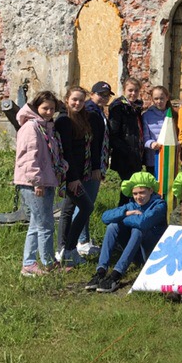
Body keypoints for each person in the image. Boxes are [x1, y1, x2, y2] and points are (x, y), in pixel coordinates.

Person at [14, 90, 68, 277]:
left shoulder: (46, 127)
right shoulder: (31, 128)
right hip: (34, 183)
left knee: (37, 223)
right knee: (45, 224)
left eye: (52, 109)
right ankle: (47, 263)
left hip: (46, 180)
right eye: (45, 108)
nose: (48, 112)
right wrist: (36, 182)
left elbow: (50, 155)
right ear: (36, 107)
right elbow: (29, 158)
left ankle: (29, 264)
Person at [86, 172, 167, 293]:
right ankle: (101, 271)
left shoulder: (159, 205)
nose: (138, 197)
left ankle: (116, 275)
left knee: (138, 230)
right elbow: (105, 217)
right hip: (136, 252)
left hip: (151, 255)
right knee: (112, 226)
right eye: (135, 193)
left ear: (151, 190)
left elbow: (143, 223)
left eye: (142, 192)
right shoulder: (132, 205)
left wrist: (123, 218)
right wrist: (126, 213)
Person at [55, 86, 104, 267]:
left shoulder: (83, 118)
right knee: (86, 207)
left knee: (68, 210)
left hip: (81, 172)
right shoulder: (64, 120)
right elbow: (66, 151)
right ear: (67, 98)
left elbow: (91, 145)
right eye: (74, 99)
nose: (77, 103)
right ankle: (69, 249)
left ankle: (62, 250)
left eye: (81, 100)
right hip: (70, 175)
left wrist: (93, 168)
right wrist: (73, 178)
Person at [77, 80, 112, 255]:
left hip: (96, 164)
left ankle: (83, 239)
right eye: (101, 94)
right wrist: (96, 167)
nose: (104, 98)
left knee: (87, 204)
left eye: (107, 95)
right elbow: (93, 143)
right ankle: (81, 241)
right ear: (92, 94)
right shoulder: (91, 112)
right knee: (85, 204)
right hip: (91, 166)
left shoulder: (98, 111)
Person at [108, 77, 144, 182]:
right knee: (129, 186)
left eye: (136, 90)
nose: (133, 93)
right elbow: (113, 134)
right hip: (125, 155)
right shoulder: (118, 107)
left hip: (136, 154)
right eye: (130, 90)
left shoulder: (136, 107)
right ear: (124, 90)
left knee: (131, 186)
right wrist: (127, 151)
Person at [142, 85, 172, 179]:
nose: (159, 101)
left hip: (169, 158)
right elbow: (144, 138)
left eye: (162, 98)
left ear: (167, 98)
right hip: (153, 159)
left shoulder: (172, 115)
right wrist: (151, 144)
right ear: (152, 99)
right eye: (156, 99)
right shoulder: (146, 116)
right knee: (154, 188)